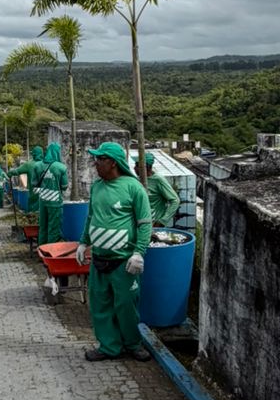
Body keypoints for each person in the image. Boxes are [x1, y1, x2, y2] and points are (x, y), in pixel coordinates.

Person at [75, 142, 152, 361]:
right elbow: (91, 217)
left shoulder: (133, 187)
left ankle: (132, 344)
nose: (96, 163)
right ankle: (109, 347)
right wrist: (83, 243)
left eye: (100, 159)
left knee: (126, 306)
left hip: (124, 262)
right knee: (100, 305)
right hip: (99, 259)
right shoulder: (97, 187)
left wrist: (139, 252)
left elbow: (144, 223)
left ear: (113, 163)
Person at [37, 142, 69, 245]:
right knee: (53, 227)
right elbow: (64, 186)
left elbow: (34, 183)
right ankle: (50, 251)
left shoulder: (38, 166)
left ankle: (41, 249)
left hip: (42, 200)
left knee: (43, 226)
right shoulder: (61, 167)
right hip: (55, 201)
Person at [142, 151, 181, 228]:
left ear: (147, 167)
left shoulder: (158, 180)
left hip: (154, 224)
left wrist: (162, 221)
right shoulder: (138, 179)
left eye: (137, 166)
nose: (134, 168)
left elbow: (175, 201)